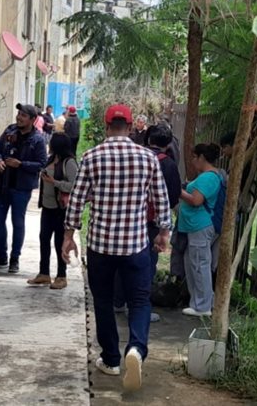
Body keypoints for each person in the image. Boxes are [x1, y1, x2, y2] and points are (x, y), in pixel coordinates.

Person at [62, 104, 171, 392]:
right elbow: (161, 200)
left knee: (103, 301)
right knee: (139, 300)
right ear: (133, 126)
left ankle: (110, 359)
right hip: (135, 245)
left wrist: (69, 236)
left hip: (100, 246)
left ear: (107, 125)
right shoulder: (148, 158)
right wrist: (163, 233)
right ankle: (135, 349)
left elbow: (76, 201)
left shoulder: (92, 157)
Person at [114, 124, 181, 321]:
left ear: (147, 139)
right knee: (146, 266)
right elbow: (174, 196)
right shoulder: (167, 164)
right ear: (168, 143)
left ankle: (118, 301)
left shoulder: (135, 157)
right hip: (152, 223)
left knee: (123, 261)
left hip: (128, 219)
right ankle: (139, 307)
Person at [0, 104, 47, 273]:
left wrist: (21, 164)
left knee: (17, 222)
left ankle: (15, 258)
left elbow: (42, 164)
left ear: (33, 120)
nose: (19, 117)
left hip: (22, 188)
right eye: (19, 114)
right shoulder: (9, 131)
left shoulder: (38, 139)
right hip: (2, 184)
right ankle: (1, 256)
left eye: (24, 115)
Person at [177, 143, 223, 317]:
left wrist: (179, 191)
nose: (193, 161)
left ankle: (203, 305)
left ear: (202, 157)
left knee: (199, 264)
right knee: (194, 263)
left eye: (195, 157)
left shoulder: (208, 177)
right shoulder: (209, 176)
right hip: (196, 225)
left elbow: (196, 200)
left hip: (201, 225)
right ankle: (198, 302)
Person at [28, 133, 78, 289]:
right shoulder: (52, 159)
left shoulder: (69, 163)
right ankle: (44, 273)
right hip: (47, 206)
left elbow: (74, 186)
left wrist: (54, 182)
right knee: (44, 239)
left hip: (60, 209)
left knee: (59, 242)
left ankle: (61, 276)